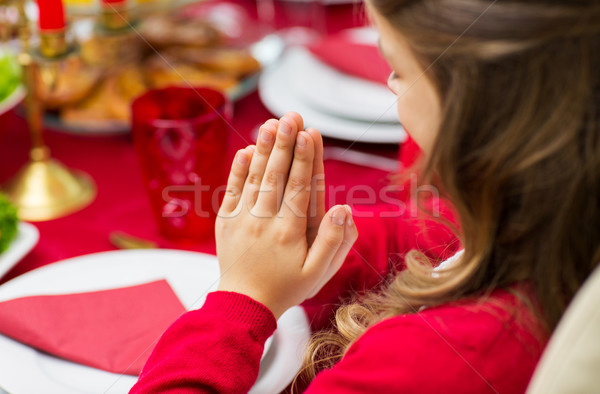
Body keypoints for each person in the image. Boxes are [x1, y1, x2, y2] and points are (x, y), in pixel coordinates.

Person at [130, 0, 600, 392]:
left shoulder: (430, 362)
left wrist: (241, 301)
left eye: (396, 70)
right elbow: (445, 232)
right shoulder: (553, 216)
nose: (389, 85)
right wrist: (325, 246)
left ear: (473, 112)